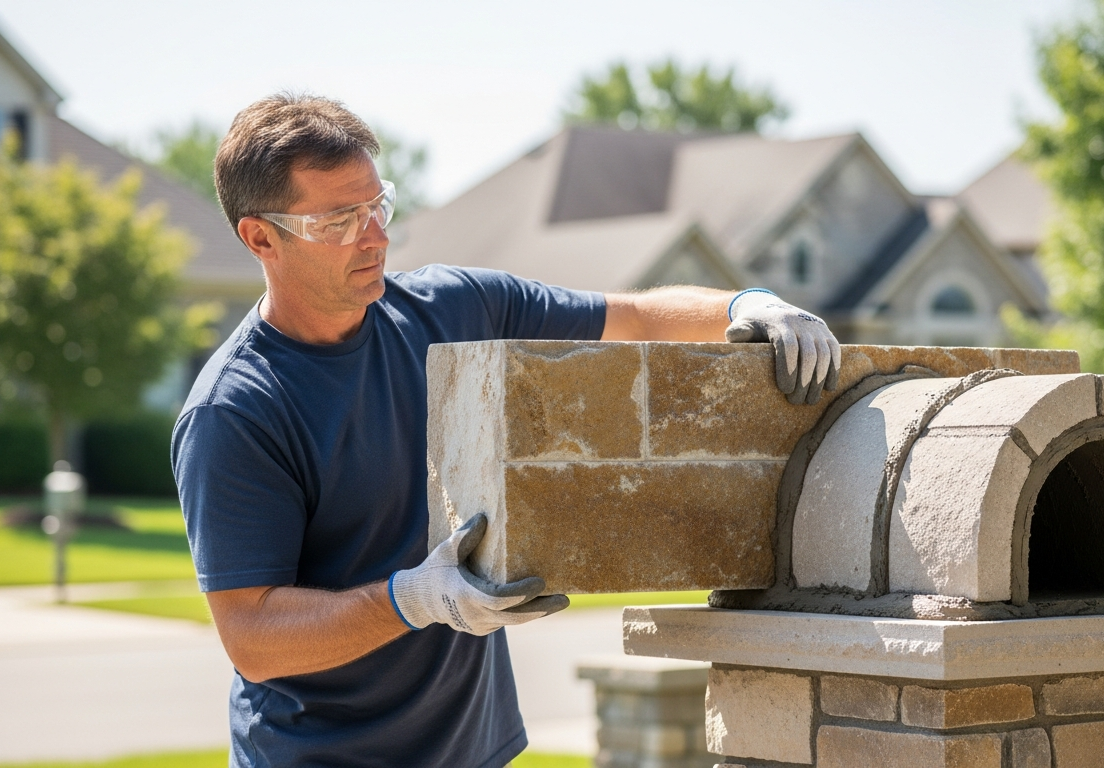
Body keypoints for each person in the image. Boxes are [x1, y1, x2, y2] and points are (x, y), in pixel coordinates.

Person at [172, 92, 841, 768]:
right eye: (339, 219)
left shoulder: (454, 309)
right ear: (261, 238)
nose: (373, 236)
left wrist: (748, 304)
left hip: (472, 751)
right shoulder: (236, 410)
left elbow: (634, 318)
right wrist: (418, 599)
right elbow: (252, 635)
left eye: (378, 206)